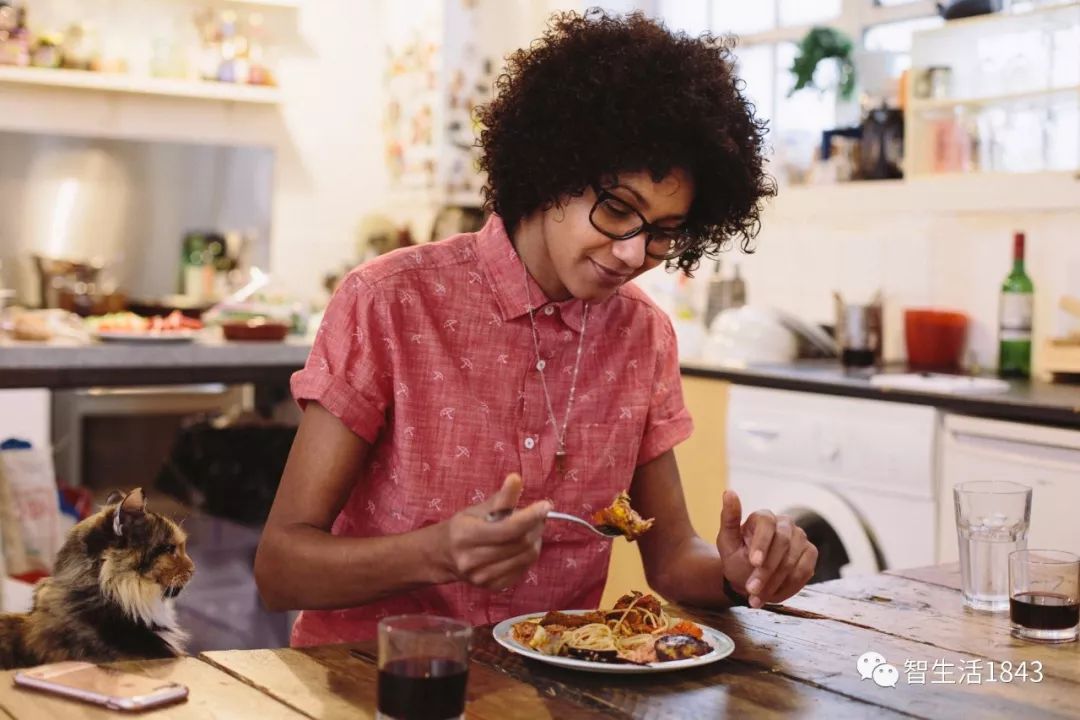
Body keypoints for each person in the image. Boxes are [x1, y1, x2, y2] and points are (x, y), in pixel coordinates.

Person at [254, 9, 817, 647]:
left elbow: (671, 562)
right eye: (617, 210)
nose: (634, 255)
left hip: (556, 691)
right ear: (552, 171)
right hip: (371, 680)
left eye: (663, 232)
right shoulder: (391, 302)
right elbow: (280, 571)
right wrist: (435, 553)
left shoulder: (643, 337)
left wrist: (739, 574)